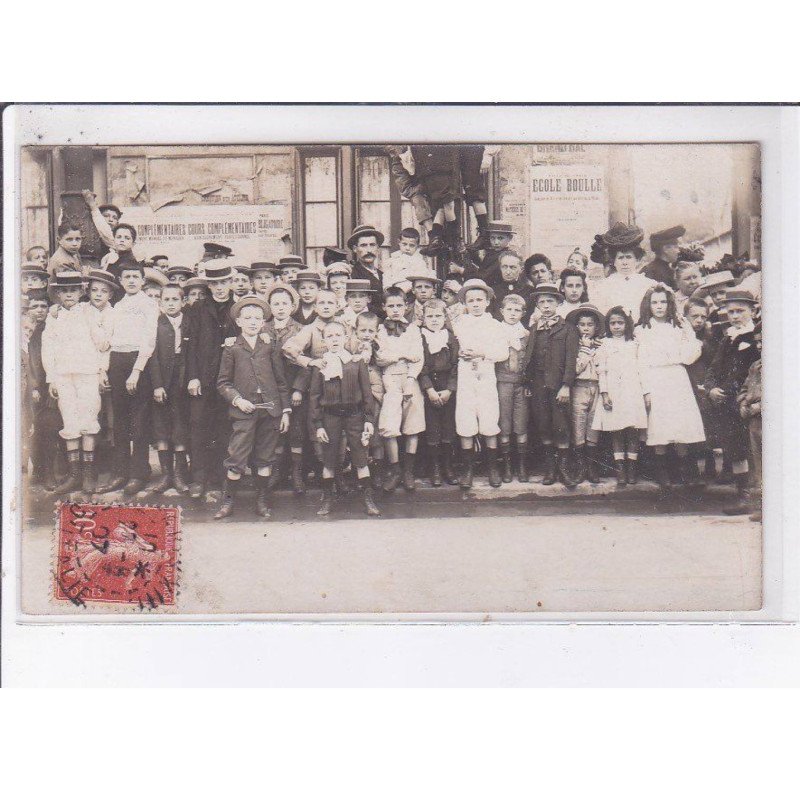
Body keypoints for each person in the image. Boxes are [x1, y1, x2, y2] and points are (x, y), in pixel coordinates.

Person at [215, 295, 291, 519]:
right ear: (238, 322)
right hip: (244, 410)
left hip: (270, 410)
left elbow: (280, 381)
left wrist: (285, 410)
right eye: (247, 318)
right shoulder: (232, 348)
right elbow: (223, 383)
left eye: (257, 318)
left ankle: (262, 501)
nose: (252, 322)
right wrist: (238, 400)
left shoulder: (269, 346)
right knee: (237, 457)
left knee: (265, 457)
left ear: (263, 322)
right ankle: (228, 502)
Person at [96, 262, 159, 496]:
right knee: (120, 421)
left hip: (138, 362)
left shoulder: (149, 305)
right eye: (127, 277)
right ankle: (120, 473)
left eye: (136, 276)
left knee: (139, 421)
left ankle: (139, 473)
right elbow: (109, 341)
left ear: (143, 281)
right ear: (120, 281)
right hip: (117, 361)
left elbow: (149, 340)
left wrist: (137, 370)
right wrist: (105, 369)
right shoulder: (118, 306)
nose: (131, 280)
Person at [635, 284, 705, 488]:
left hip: (677, 377)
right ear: (648, 305)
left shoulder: (678, 327)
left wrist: (689, 333)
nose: (659, 306)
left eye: (663, 302)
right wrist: (646, 390)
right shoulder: (641, 330)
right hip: (655, 378)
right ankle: (661, 469)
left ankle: (683, 468)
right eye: (654, 302)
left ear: (670, 304)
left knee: (680, 424)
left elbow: (689, 356)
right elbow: (641, 362)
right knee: (660, 425)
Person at [41, 273, 105, 493]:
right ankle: (74, 474)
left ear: (81, 292)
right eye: (64, 291)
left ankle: (88, 475)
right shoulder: (54, 316)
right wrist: (52, 378)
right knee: (70, 421)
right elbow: (48, 348)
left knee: (88, 419)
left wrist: (100, 371)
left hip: (87, 374)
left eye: (73, 290)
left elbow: (103, 343)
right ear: (57, 294)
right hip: (63, 375)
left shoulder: (89, 312)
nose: (69, 294)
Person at [309, 321, 381, 517]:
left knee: (360, 456)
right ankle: (327, 499)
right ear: (324, 341)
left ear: (346, 338)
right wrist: (318, 425)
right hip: (330, 416)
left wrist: (368, 419)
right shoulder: (321, 364)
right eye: (330, 336)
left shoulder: (356, 362)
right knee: (329, 458)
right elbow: (314, 397)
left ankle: (368, 498)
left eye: (338, 335)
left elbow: (367, 394)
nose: (334, 340)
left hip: (354, 415)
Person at [183, 262, 239, 498]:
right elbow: (190, 345)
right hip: (203, 377)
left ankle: (219, 478)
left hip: (229, 380)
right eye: (214, 283)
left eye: (223, 282)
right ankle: (198, 477)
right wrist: (193, 376)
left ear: (230, 283)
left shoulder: (238, 308)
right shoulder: (197, 309)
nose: (219, 288)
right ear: (209, 285)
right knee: (198, 425)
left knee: (224, 426)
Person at [705, 289, 761, 515]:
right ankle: (742, 494)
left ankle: (755, 495)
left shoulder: (755, 337)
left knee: (752, 448)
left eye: (740, 311)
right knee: (735, 447)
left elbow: (753, 373)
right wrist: (711, 388)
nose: (735, 316)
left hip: (747, 401)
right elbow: (715, 367)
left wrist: (744, 397)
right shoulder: (727, 337)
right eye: (731, 312)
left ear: (752, 311)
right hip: (727, 402)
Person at [452, 279, 509, 488]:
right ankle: (468, 470)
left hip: (486, 376)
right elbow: (452, 347)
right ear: (465, 303)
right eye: (471, 300)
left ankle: (493, 468)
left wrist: (483, 353)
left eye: (479, 300)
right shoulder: (459, 323)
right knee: (465, 420)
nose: (475, 304)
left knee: (489, 419)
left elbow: (502, 353)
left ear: (487, 302)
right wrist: (459, 352)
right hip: (466, 376)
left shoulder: (495, 325)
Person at [522, 282, 579, 487]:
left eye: (550, 301)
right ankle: (550, 468)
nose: (546, 305)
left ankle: (564, 468)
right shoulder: (534, 328)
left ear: (558, 303)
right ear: (537, 305)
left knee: (561, 424)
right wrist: (527, 382)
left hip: (558, 385)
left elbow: (571, 360)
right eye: (542, 302)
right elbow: (529, 357)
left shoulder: (568, 329)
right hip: (538, 384)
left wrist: (566, 385)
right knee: (543, 424)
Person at [375, 287, 426, 492]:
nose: (395, 310)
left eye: (399, 306)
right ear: (384, 307)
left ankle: (408, 471)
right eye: (391, 306)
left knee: (412, 424)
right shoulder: (379, 329)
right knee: (389, 425)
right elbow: (380, 358)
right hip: (389, 379)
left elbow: (418, 357)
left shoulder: (413, 329)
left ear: (406, 307)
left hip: (410, 378)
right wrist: (401, 355)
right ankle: (395, 470)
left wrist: (411, 377)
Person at [591, 306, 648, 485]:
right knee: (616, 430)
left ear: (627, 324)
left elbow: (642, 368)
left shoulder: (634, 343)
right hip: (614, 391)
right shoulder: (605, 344)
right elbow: (602, 371)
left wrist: (645, 392)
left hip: (632, 391)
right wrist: (605, 393)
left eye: (620, 323)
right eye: (613, 323)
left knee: (632, 430)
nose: (616, 326)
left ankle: (632, 467)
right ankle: (620, 469)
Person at [262, 284, 305, 494]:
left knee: (296, 429)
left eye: (284, 304)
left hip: (293, 386)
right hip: (271, 388)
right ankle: (276, 470)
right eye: (276, 304)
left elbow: (307, 361)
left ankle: (296, 472)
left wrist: (298, 388)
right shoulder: (262, 329)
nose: (280, 308)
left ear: (292, 306)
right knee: (275, 428)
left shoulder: (300, 329)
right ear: (269, 306)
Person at [148, 283, 191, 494]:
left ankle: (179, 474)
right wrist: (157, 385)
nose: (171, 303)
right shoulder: (155, 323)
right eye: (167, 300)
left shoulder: (189, 323)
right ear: (160, 302)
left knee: (180, 425)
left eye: (175, 299)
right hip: (163, 380)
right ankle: (166, 475)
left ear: (183, 302)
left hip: (182, 380)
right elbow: (152, 356)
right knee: (161, 426)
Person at [418, 299, 459, 486]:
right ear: (423, 318)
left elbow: (456, 365)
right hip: (429, 388)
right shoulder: (420, 337)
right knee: (432, 427)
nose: (434, 320)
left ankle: (447, 466)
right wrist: (429, 390)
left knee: (448, 427)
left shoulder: (450, 337)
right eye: (430, 316)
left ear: (445, 317)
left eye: (438, 316)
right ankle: (434, 468)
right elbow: (420, 365)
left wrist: (450, 389)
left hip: (447, 387)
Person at [565, 304, 604, 484]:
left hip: (597, 387)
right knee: (578, 424)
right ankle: (579, 466)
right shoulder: (574, 345)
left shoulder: (602, 344)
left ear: (596, 327)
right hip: (579, 387)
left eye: (590, 324)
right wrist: (585, 349)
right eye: (582, 324)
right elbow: (575, 369)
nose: (586, 328)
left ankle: (591, 466)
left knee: (593, 425)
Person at [495, 294, 531, 483]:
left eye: (517, 310)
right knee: (504, 422)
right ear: (502, 311)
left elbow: (530, 360)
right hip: (502, 381)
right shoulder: (496, 331)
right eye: (509, 309)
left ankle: (521, 465)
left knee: (521, 422)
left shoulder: (526, 334)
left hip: (521, 383)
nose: (512, 313)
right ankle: (507, 466)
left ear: (523, 313)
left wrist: (528, 382)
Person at [349, 312, 387, 489]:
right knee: (358, 433)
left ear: (377, 331)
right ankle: (360, 472)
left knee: (376, 434)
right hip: (356, 394)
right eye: (362, 330)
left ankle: (378, 472)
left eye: (370, 331)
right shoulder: (350, 345)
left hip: (374, 393)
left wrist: (373, 350)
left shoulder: (380, 346)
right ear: (355, 330)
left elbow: (383, 362)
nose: (366, 334)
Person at [589, 223, 656, 319]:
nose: (625, 263)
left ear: (636, 260)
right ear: (614, 261)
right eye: (620, 258)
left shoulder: (648, 285)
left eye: (629, 257)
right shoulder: (603, 287)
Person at [738, 323, 762, 522]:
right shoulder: (755, 366)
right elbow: (745, 387)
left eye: (765, 341)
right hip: (753, 421)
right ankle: (761, 505)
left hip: (768, 420)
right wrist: (743, 403)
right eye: (758, 342)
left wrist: (760, 406)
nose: (761, 346)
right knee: (757, 464)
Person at [490, 250, 533, 321]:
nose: (508, 271)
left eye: (512, 267)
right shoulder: (493, 291)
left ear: (521, 269)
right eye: (504, 267)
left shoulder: (529, 291)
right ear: (500, 268)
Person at [383, 227, 427, 293]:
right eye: (404, 244)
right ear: (399, 242)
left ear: (417, 246)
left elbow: (422, 279)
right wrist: (388, 289)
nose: (407, 248)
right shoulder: (392, 260)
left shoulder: (419, 262)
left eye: (411, 245)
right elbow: (387, 277)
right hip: (395, 291)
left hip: (413, 292)